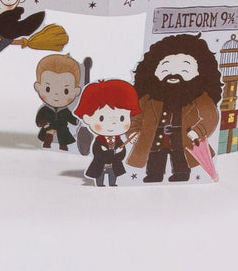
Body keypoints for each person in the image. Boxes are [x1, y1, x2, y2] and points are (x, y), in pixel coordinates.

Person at [126, 34, 222, 182]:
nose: (173, 74)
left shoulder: (199, 97)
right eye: (165, 68)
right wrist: (133, 131)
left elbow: (210, 116)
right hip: (155, 138)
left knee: (180, 155)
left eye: (184, 69)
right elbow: (135, 115)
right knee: (156, 154)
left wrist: (198, 131)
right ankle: (154, 174)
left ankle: (181, 173)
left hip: (183, 139)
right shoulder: (149, 98)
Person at [73, 79, 140, 187]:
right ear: (87, 118)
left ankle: (112, 184)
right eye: (101, 118)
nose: (113, 123)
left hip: (113, 166)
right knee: (100, 179)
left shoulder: (118, 141)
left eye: (122, 118)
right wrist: (110, 152)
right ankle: (100, 184)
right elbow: (97, 153)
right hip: (100, 166)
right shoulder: (99, 141)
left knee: (113, 177)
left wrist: (119, 152)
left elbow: (122, 155)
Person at [33, 54, 81, 150]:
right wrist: (41, 122)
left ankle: (63, 146)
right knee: (48, 132)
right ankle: (47, 145)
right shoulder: (45, 109)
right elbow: (39, 118)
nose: (56, 94)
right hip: (49, 125)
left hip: (61, 126)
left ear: (76, 92)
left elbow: (70, 117)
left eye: (66, 91)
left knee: (63, 133)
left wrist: (77, 121)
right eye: (48, 89)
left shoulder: (65, 110)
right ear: (38, 87)